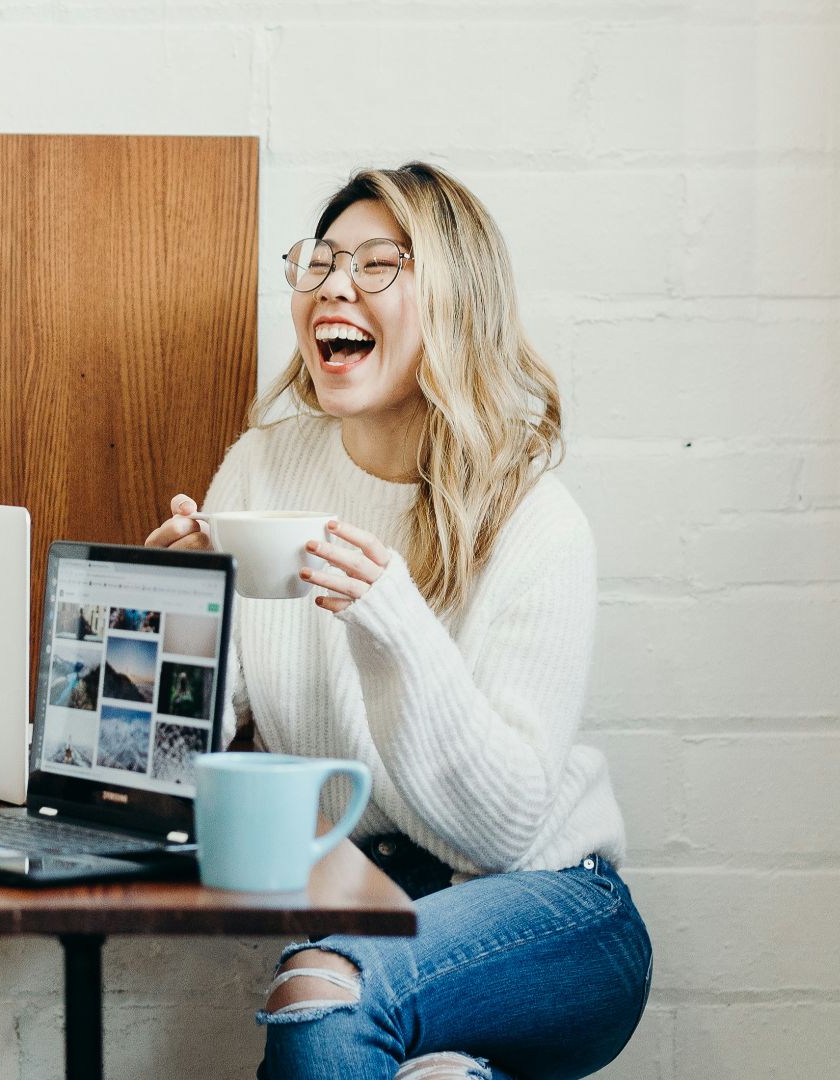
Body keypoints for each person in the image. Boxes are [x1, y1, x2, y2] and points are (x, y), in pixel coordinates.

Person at [145, 163, 651, 1079]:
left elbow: (499, 836)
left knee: (321, 997)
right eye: (323, 261)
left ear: (456, 303)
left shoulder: (534, 519)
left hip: (553, 909)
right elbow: (197, 749)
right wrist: (180, 620)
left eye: (381, 264)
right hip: (375, 900)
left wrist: (394, 626)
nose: (336, 284)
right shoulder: (264, 468)